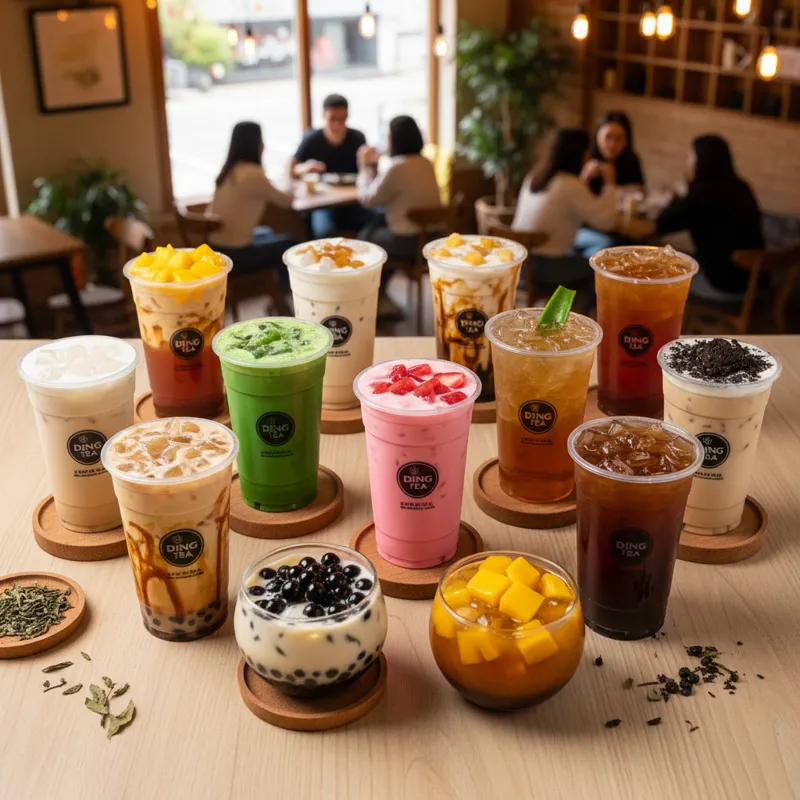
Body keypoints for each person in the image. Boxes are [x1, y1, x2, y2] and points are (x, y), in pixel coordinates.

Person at [356, 115, 442, 318]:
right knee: (376, 227)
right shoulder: (426, 163)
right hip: (432, 239)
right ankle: (381, 298)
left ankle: (375, 301)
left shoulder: (397, 167)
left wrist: (364, 167)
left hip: (407, 242)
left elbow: (368, 199)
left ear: (394, 139)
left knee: (365, 243)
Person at [655, 134, 763, 295]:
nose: (687, 160)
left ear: (701, 162)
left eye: (690, 156)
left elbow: (661, 224)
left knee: (660, 271)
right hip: (757, 278)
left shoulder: (701, 196)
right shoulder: (741, 187)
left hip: (724, 282)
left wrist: (678, 197)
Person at [512, 128, 618, 289]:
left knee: (602, 242)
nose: (589, 156)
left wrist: (583, 180)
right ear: (578, 155)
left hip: (520, 260)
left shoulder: (536, 175)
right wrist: (610, 182)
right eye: (586, 151)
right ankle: (584, 310)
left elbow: (564, 202)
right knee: (602, 266)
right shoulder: (570, 185)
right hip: (544, 268)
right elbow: (606, 222)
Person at [209, 121, 298, 293]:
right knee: (290, 243)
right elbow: (286, 201)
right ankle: (284, 294)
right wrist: (290, 174)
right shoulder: (253, 174)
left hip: (217, 247)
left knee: (265, 232)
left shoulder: (227, 170)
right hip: (236, 255)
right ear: (255, 143)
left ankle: (278, 291)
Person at [290, 94, 373, 238]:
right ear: (324, 116)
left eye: (342, 119)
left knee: (377, 219)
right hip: (323, 203)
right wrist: (305, 168)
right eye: (332, 119)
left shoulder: (357, 138)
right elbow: (292, 168)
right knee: (324, 231)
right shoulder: (312, 139)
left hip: (352, 201)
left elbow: (368, 173)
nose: (337, 124)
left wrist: (370, 162)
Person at [588, 110, 644, 195]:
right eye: (608, 137)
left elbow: (639, 191)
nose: (612, 144)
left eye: (619, 138)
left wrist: (611, 183)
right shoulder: (586, 155)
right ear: (598, 135)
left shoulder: (630, 159)